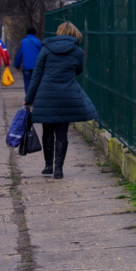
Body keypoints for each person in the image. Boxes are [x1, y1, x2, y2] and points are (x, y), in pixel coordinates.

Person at [24, 22, 97, 179]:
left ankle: (48, 166)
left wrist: (28, 99)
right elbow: (78, 70)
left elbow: (36, 75)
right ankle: (59, 169)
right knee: (62, 133)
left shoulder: (46, 49)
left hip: (46, 95)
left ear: (59, 32)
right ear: (75, 35)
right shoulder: (77, 52)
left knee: (47, 132)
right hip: (67, 96)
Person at [13, 27, 42, 94]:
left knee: (27, 82)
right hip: (36, 66)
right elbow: (42, 54)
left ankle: (28, 97)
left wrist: (17, 65)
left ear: (27, 32)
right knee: (35, 83)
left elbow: (18, 54)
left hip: (26, 66)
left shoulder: (22, 42)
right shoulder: (38, 41)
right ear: (35, 33)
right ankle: (35, 97)